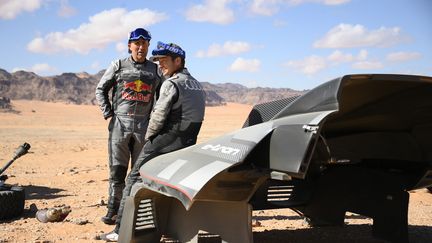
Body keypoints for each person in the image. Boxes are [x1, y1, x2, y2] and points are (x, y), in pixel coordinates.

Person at [98, 42, 206, 242]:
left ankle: (119, 229)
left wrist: (148, 139)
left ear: (178, 61)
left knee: (133, 180)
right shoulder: (197, 85)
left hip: (166, 140)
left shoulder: (171, 83)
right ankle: (168, 225)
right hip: (187, 142)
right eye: (158, 61)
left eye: (164, 61)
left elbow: (157, 117)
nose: (161, 66)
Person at [95, 28, 162, 225]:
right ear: (129, 45)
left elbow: (164, 95)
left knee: (141, 173)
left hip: (144, 127)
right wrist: (108, 113)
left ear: (148, 46)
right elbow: (101, 89)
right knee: (117, 172)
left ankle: (135, 213)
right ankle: (113, 211)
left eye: (144, 43)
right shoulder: (118, 65)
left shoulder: (155, 70)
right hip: (120, 126)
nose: (141, 47)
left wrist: (156, 118)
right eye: (137, 43)